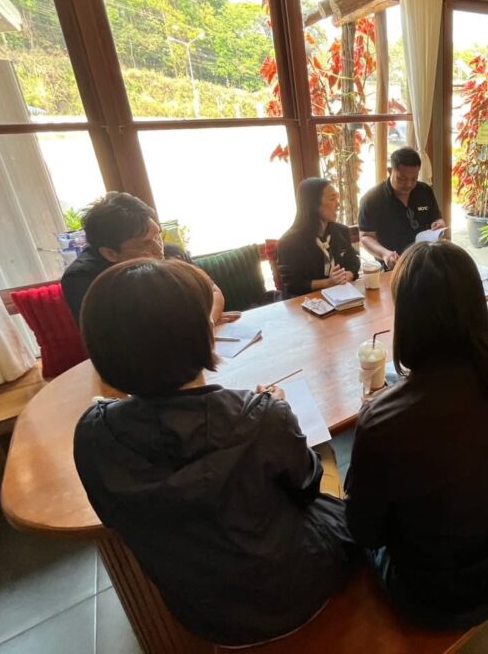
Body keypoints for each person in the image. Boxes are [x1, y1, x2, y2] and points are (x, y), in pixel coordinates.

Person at [73, 259, 354, 647]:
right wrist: (276, 413)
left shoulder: (92, 433)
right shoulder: (261, 418)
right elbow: (306, 488)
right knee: (329, 457)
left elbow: (115, 518)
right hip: (298, 590)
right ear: (202, 335)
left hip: (203, 614)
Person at [345, 241, 488, 630]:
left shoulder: (383, 422)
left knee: (341, 491)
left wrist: (376, 413)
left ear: (407, 319)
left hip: (438, 598)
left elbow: (365, 531)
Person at [61, 192, 236, 326]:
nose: (159, 249)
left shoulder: (170, 253)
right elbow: (115, 337)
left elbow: (212, 291)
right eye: (145, 244)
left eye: (158, 236)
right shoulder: (83, 278)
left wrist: (208, 322)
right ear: (110, 253)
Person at [358, 148, 445, 268]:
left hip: (426, 260)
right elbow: (365, 237)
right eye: (402, 179)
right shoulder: (372, 199)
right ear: (390, 171)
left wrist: (439, 225)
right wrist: (385, 254)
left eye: (414, 178)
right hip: (394, 265)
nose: (408, 184)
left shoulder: (425, 191)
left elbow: (437, 219)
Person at [277, 177, 361, 298]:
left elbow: (353, 261)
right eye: (332, 199)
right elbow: (292, 284)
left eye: (337, 198)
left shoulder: (341, 231)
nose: (338, 204)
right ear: (313, 204)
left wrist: (349, 274)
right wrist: (328, 283)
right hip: (304, 301)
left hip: (340, 297)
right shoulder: (289, 242)